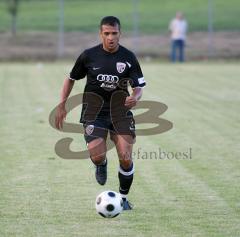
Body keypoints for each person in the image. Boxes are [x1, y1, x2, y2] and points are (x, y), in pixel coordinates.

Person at [55, 16, 146, 210]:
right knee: (96, 155)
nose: (111, 37)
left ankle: (122, 199)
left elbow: (138, 86)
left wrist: (135, 97)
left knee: (125, 156)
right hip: (94, 112)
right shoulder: (89, 55)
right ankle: (101, 163)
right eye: (107, 33)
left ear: (120, 34)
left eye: (114, 33)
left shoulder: (129, 57)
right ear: (101, 34)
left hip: (120, 112)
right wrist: (62, 104)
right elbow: (71, 78)